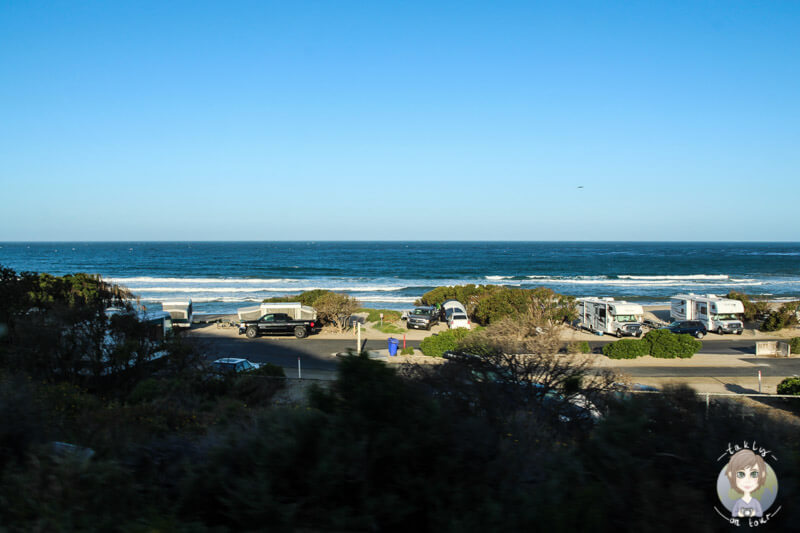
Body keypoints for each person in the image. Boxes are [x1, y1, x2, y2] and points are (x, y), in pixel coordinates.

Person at [725, 449, 767, 518]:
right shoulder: (738, 503)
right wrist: (739, 513)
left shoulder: (755, 502)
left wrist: (754, 513)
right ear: (731, 475)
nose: (747, 480)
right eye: (741, 474)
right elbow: (733, 514)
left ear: (762, 475)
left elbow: (760, 513)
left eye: (754, 474)